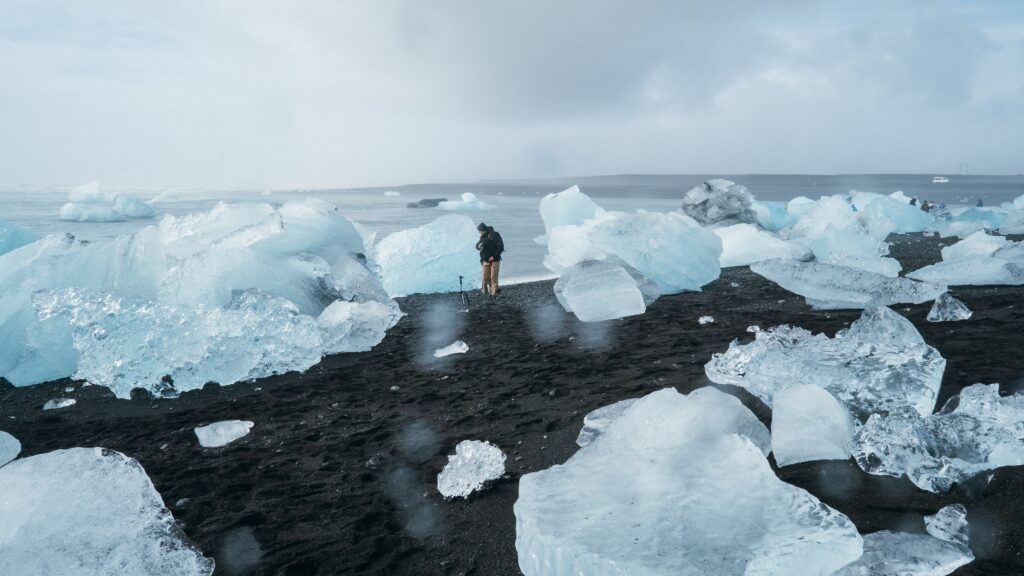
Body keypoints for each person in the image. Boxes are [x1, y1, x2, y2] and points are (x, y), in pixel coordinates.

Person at [476, 222, 504, 297]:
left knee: (493, 277)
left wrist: (493, 257)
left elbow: (501, 248)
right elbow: (477, 246)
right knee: (485, 277)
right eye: (479, 231)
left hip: (494, 260)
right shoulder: (482, 236)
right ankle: (494, 289)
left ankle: (493, 294)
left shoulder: (495, 235)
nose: (479, 233)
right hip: (485, 260)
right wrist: (479, 246)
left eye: (480, 231)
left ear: (484, 230)